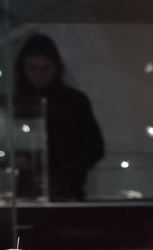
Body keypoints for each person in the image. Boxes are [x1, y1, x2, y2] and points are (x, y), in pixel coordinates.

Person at [13, 33, 104, 200]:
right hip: (27, 191)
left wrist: (67, 168)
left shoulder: (75, 101)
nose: (38, 75)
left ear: (55, 68)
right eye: (32, 68)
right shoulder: (17, 103)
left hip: (67, 190)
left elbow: (95, 148)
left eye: (45, 68)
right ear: (23, 68)